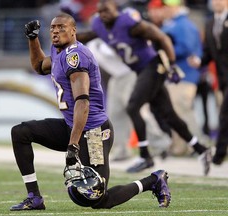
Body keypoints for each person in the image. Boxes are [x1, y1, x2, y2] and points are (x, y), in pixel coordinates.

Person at [10, 13, 171, 211]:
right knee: (20, 132)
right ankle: (34, 197)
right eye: (52, 28)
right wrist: (33, 39)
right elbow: (39, 66)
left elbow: (83, 103)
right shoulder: (59, 51)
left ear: (73, 30)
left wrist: (73, 145)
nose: (55, 31)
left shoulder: (76, 57)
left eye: (61, 27)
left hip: (94, 131)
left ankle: (153, 180)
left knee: (98, 199)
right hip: (74, 126)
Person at [76, 0, 211, 175]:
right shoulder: (100, 25)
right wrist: (69, 38)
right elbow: (89, 35)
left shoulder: (128, 22)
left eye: (107, 11)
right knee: (169, 115)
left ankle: (145, 156)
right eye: (100, 12)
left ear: (116, 10)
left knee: (133, 106)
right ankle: (201, 150)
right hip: (141, 71)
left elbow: (161, 37)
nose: (103, 15)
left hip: (152, 66)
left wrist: (170, 64)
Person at [147, 0, 205, 156]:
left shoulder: (183, 25)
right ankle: (181, 147)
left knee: (182, 111)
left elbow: (186, 48)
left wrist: (161, 49)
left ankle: (199, 144)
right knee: (175, 113)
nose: (164, 10)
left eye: (166, 7)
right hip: (176, 76)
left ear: (175, 7)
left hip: (184, 75)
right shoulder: (172, 24)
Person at [188, 0, 228, 165]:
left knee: (224, 114)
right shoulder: (210, 23)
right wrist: (199, 61)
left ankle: (219, 155)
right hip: (223, 78)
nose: (217, 2)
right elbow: (209, 52)